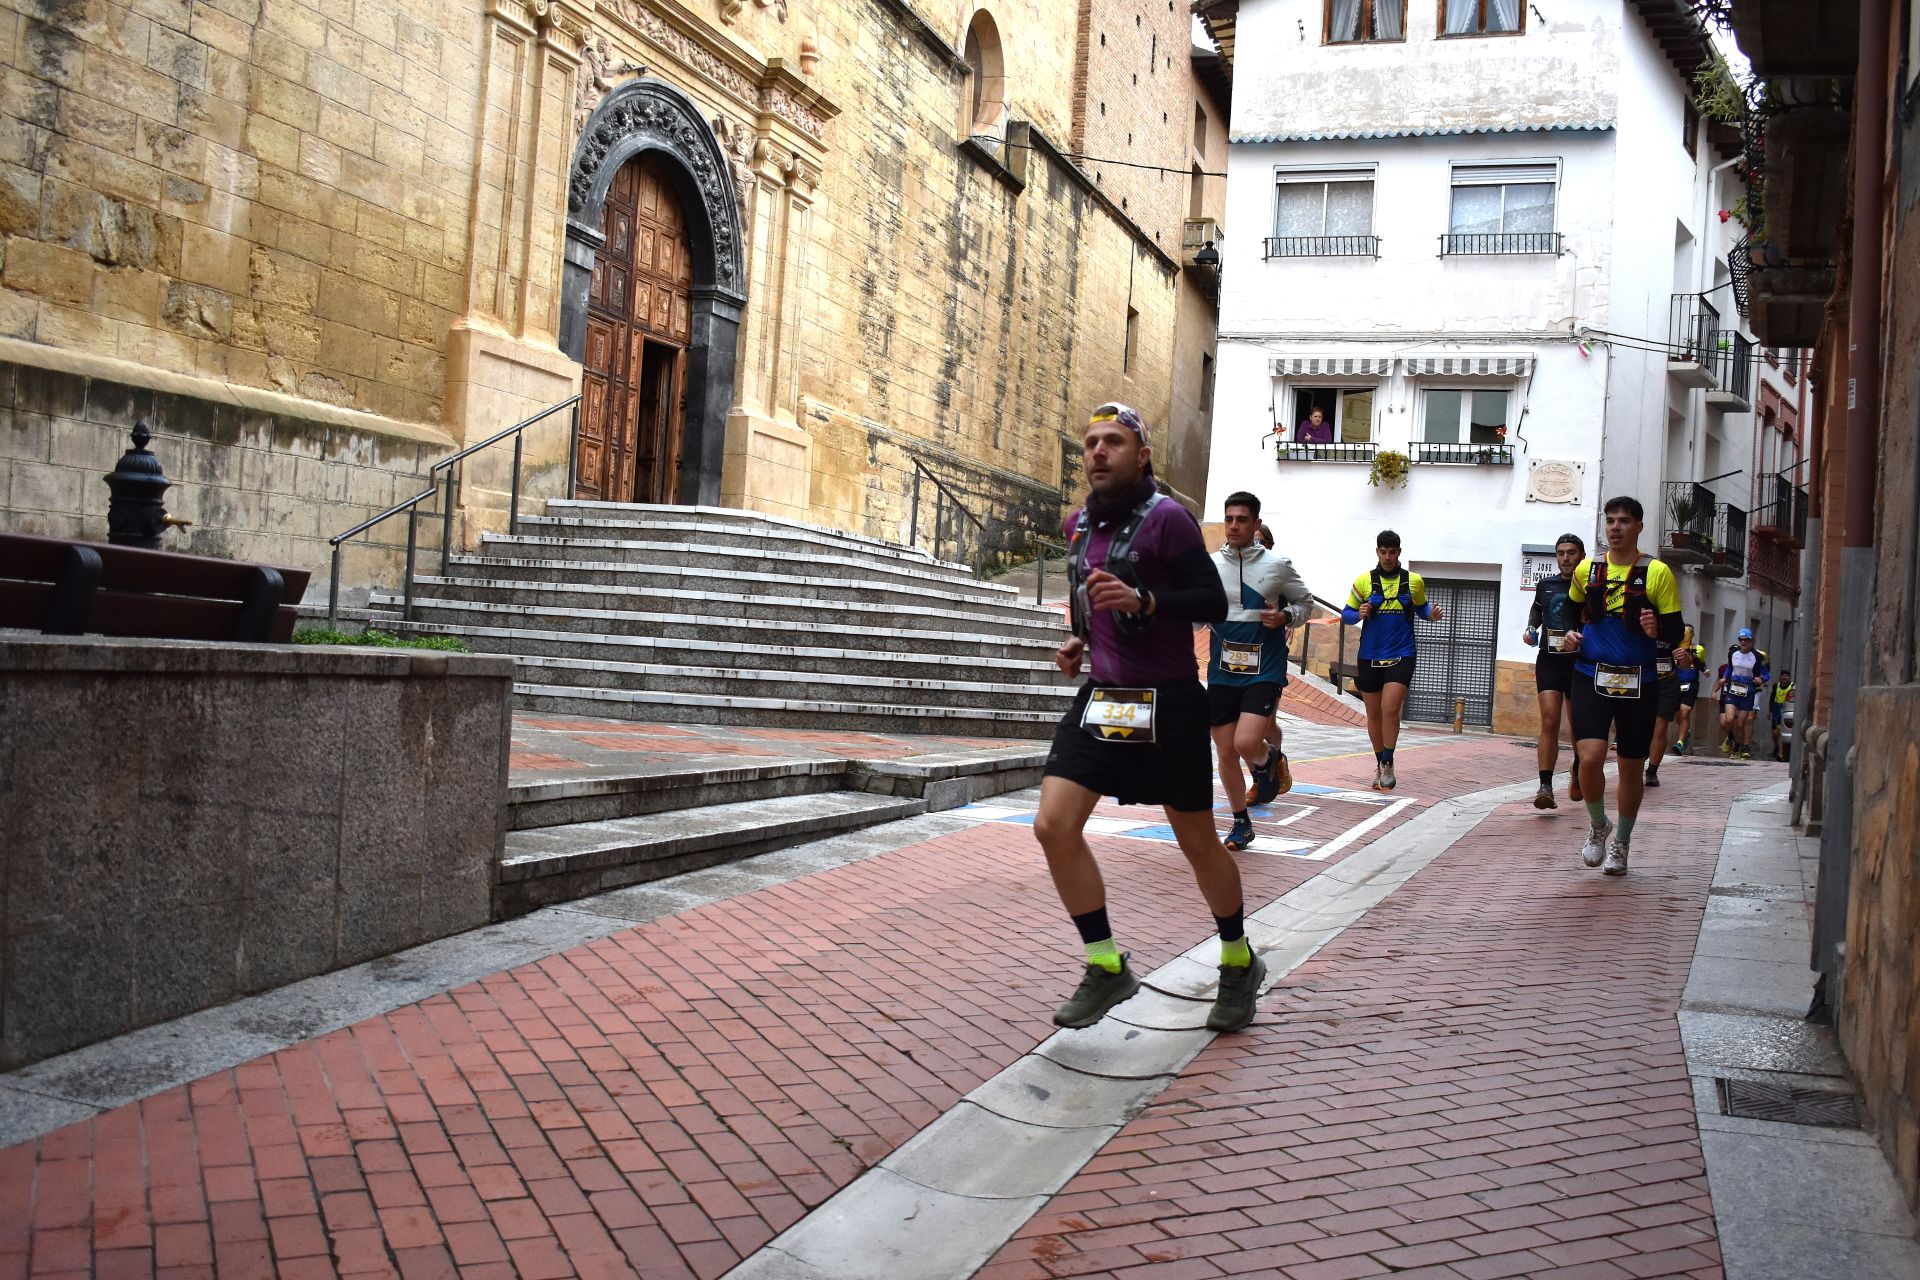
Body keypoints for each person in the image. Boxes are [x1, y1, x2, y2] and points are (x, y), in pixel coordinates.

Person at [1036, 403, 1264, 1034]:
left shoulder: (1169, 519)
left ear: (1142, 455)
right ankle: (1107, 965)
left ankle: (1238, 960)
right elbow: (1088, 595)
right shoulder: (1078, 524)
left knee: (1196, 841)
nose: (1098, 452)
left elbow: (1212, 600)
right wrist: (1079, 640)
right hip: (1103, 695)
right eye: (1090, 443)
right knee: (1053, 826)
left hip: (1169, 704)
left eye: (1114, 441)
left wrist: (1146, 599)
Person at [1563, 496, 1685, 876]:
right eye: (1610, 520)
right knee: (1591, 757)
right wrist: (1570, 633)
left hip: (1640, 680)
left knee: (1632, 769)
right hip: (1591, 674)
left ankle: (1622, 844)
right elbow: (1571, 609)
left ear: (1639, 527)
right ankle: (1599, 826)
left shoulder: (1657, 573)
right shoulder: (1588, 568)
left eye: (1624, 521)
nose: (1615, 527)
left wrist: (1656, 630)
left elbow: (1675, 629)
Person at [1208, 492, 1312, 849]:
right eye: (1229, 519)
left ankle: (1270, 759)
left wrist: (1286, 616)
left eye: (1241, 519)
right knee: (1224, 752)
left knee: (1245, 742)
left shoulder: (1277, 565)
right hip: (1221, 671)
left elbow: (1305, 603)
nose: (1234, 525)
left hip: (1264, 669)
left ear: (1255, 524)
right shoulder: (1208, 566)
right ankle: (1241, 823)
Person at [1341, 531, 1442, 791]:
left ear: (1399, 552)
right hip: (1369, 656)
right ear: (1377, 552)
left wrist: (1432, 614)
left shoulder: (1414, 581)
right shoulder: (1364, 580)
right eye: (1383, 551)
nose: (1387, 556)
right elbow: (1346, 614)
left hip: (1402, 653)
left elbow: (1421, 608)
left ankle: (1388, 762)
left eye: (1392, 552)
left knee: (1389, 709)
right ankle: (1380, 763)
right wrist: (1358, 612)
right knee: (1373, 713)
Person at [1523, 534, 1586, 809]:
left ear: (1581, 555)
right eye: (1560, 553)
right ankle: (1545, 786)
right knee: (1549, 721)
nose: (1565, 558)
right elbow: (1536, 613)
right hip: (1549, 660)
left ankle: (1577, 770)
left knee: (1577, 727)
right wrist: (1530, 630)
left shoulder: (1590, 587)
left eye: (1571, 553)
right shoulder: (1546, 585)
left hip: (1579, 663)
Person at [1644, 621, 1697, 788]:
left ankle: (1652, 770)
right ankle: (1636, 760)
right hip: (1643, 681)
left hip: (1667, 682)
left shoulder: (1678, 630)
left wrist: (1685, 657)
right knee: (1641, 726)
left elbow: (1687, 665)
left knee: (1660, 725)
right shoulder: (1639, 623)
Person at [1716, 629, 1769, 759]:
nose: (1743, 642)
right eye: (1741, 640)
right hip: (1733, 689)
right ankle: (1732, 737)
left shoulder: (1758, 656)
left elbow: (1766, 674)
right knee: (1729, 719)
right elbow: (1730, 668)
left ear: (1751, 641)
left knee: (1740, 723)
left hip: (1748, 691)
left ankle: (1737, 747)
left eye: (1746, 640)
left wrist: (1761, 679)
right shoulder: (1733, 653)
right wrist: (1724, 678)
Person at [1667, 643, 1701, 758]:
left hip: (1691, 685)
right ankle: (1686, 732)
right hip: (1676, 684)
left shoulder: (1697, 649)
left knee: (1685, 711)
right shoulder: (1672, 648)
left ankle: (1680, 743)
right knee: (1678, 715)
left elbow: (1702, 666)